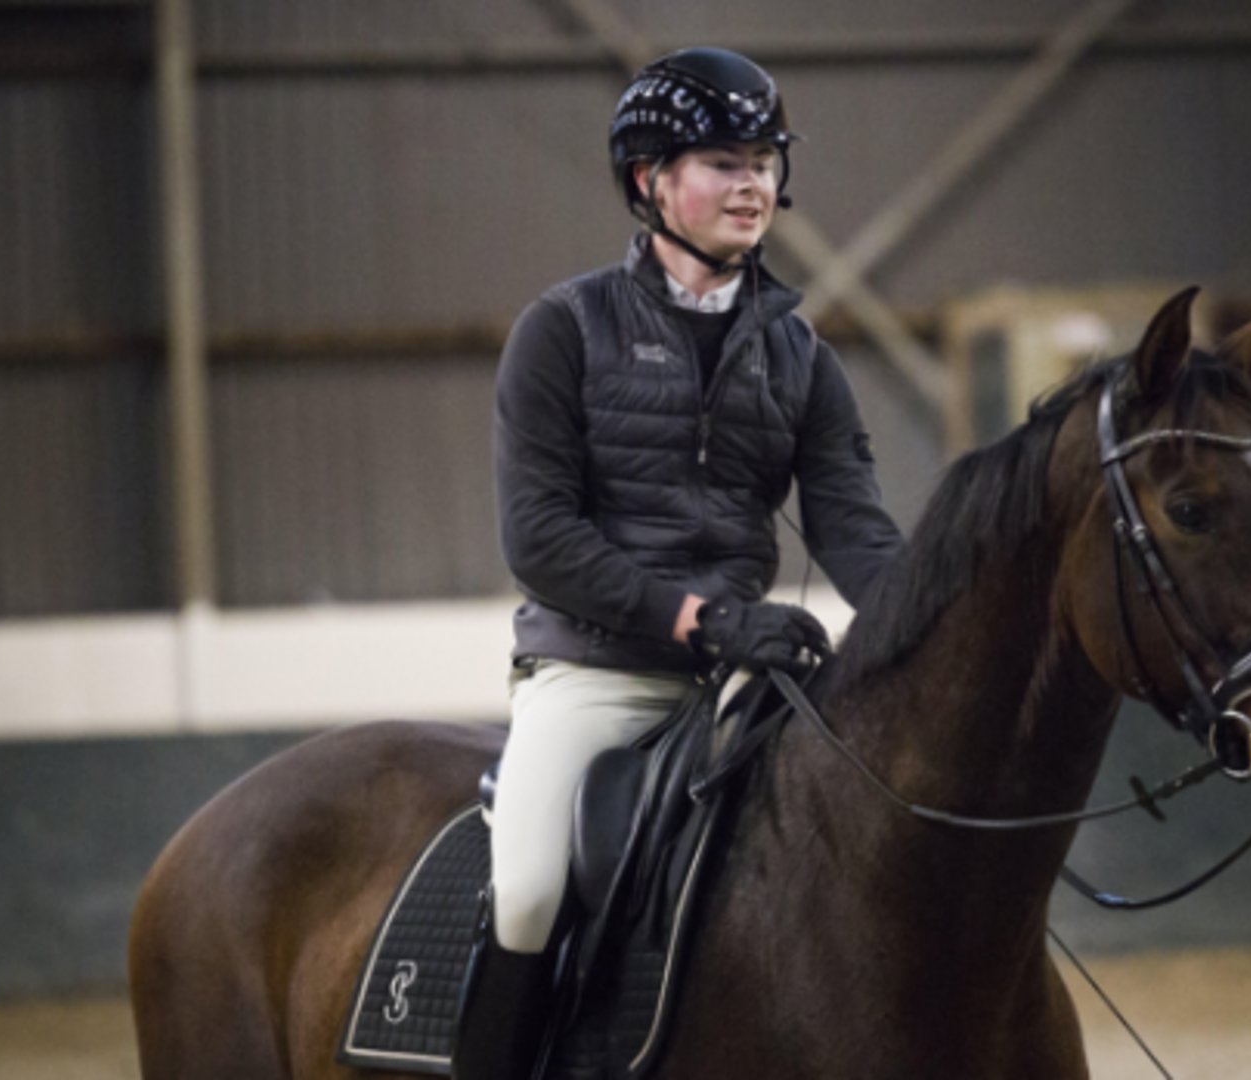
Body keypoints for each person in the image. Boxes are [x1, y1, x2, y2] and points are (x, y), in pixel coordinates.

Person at [457, 45, 905, 1079]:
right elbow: (542, 540)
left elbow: (855, 533)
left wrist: (930, 627)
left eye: (765, 162)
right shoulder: (562, 331)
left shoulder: (802, 358)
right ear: (650, 182)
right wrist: (698, 618)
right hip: (596, 674)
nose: (754, 184)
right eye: (723, 161)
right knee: (526, 887)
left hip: (743, 684)